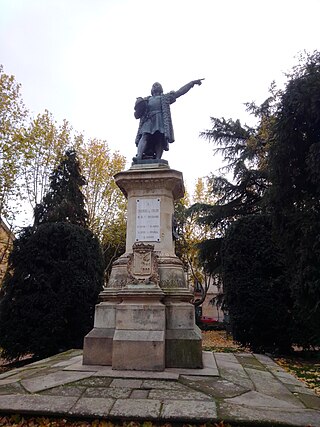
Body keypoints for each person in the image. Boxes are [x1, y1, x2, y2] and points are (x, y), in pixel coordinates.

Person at [134, 79, 204, 160]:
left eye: (157, 85)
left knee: (159, 138)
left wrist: (192, 83)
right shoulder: (147, 100)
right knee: (145, 135)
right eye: (154, 85)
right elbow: (138, 112)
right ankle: (139, 156)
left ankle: (158, 158)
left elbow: (180, 92)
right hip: (148, 120)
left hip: (160, 119)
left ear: (161, 89)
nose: (155, 85)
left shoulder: (165, 98)